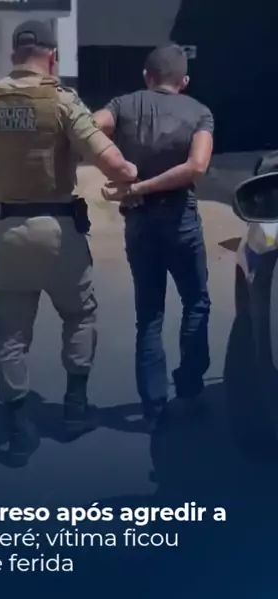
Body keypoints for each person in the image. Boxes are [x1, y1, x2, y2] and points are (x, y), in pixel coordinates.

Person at [0, 20, 137, 465]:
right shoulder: (62, 100)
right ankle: (75, 409)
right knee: (79, 316)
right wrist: (130, 176)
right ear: (53, 57)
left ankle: (19, 430)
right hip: (59, 233)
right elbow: (113, 163)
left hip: (6, 231)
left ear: (13, 56)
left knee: (11, 335)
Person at [94, 44, 214, 432]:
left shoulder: (123, 105)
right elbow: (197, 166)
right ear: (184, 81)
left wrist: (122, 175)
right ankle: (190, 390)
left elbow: (87, 128)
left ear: (147, 76)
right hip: (180, 220)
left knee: (149, 315)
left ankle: (154, 408)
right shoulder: (199, 112)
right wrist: (142, 186)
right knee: (196, 302)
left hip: (139, 221)